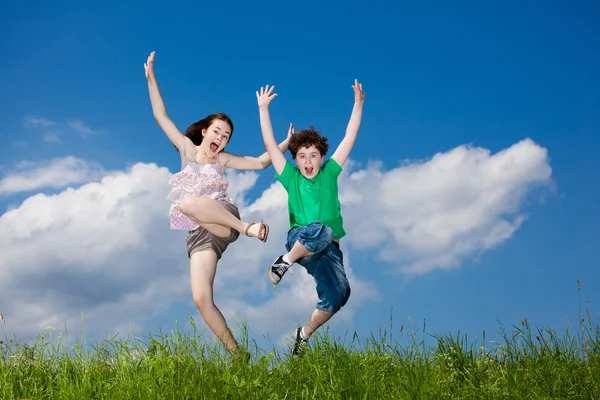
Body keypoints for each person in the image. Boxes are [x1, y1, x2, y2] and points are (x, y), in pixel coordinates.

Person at [144, 51, 292, 358]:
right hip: (200, 232)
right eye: (216, 132)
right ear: (204, 132)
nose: (221, 139)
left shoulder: (223, 160)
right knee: (201, 298)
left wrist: (285, 143)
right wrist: (151, 78)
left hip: (226, 219)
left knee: (185, 202)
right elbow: (161, 116)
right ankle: (239, 355)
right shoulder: (186, 149)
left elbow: (262, 162)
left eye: (226, 136)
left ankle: (248, 227)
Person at [255, 80, 365, 355]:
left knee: (339, 294)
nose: (307, 161)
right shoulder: (291, 178)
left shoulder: (329, 173)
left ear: (322, 157)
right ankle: (285, 261)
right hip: (301, 240)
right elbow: (270, 145)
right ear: (295, 159)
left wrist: (358, 104)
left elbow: (349, 139)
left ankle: (302, 336)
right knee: (321, 230)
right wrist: (263, 110)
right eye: (302, 156)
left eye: (313, 155)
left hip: (329, 251)